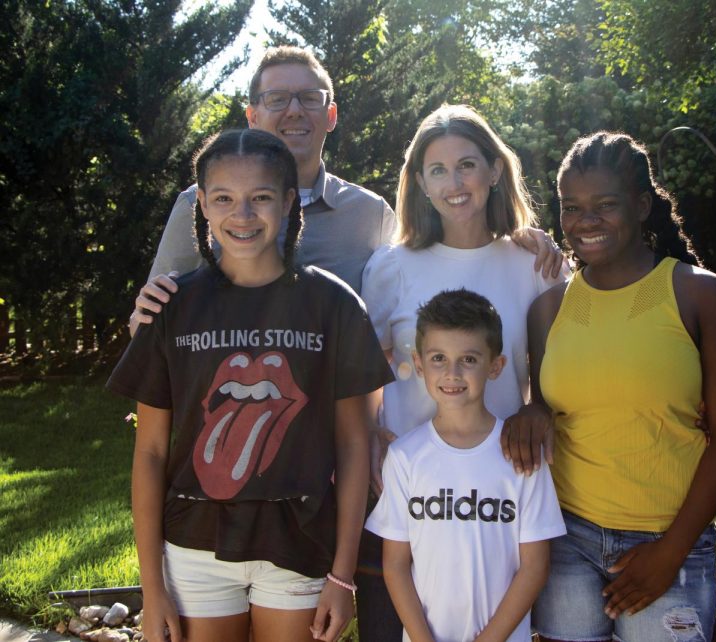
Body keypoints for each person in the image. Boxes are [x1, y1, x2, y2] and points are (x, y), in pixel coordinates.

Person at [107, 129, 394, 642]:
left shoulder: (335, 305)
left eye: (260, 197)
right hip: (194, 548)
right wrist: (153, 589)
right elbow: (150, 452)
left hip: (300, 545)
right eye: (224, 198)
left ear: (288, 202)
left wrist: (342, 574)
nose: (242, 214)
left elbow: (355, 443)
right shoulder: (173, 308)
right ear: (202, 205)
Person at [501, 131, 716, 642]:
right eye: (572, 207)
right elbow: (549, 403)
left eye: (605, 205)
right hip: (567, 538)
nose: (585, 221)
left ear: (641, 205)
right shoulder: (548, 307)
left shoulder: (699, 295)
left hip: (667, 541)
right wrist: (533, 410)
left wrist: (671, 552)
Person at [130, 47, 562, 335]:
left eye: (309, 98)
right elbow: (149, 327)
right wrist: (144, 316)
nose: (295, 110)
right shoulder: (200, 205)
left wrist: (514, 236)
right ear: (253, 115)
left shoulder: (370, 215)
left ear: (331, 114)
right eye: (277, 98)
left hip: (334, 441)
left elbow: (429, 270)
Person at [358, 104, 569, 640]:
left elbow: (560, 365)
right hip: (415, 490)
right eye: (437, 170)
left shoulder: (533, 263)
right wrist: (368, 433)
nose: (454, 183)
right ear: (420, 185)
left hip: (502, 486)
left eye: (467, 165)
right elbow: (359, 366)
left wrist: (535, 408)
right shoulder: (393, 265)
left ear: (495, 171)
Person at [366, 289, 566, 642]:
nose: (452, 373)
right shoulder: (405, 457)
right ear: (420, 362)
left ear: (495, 366)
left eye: (469, 360)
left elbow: (535, 566)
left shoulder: (521, 456)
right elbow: (395, 565)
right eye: (439, 358)